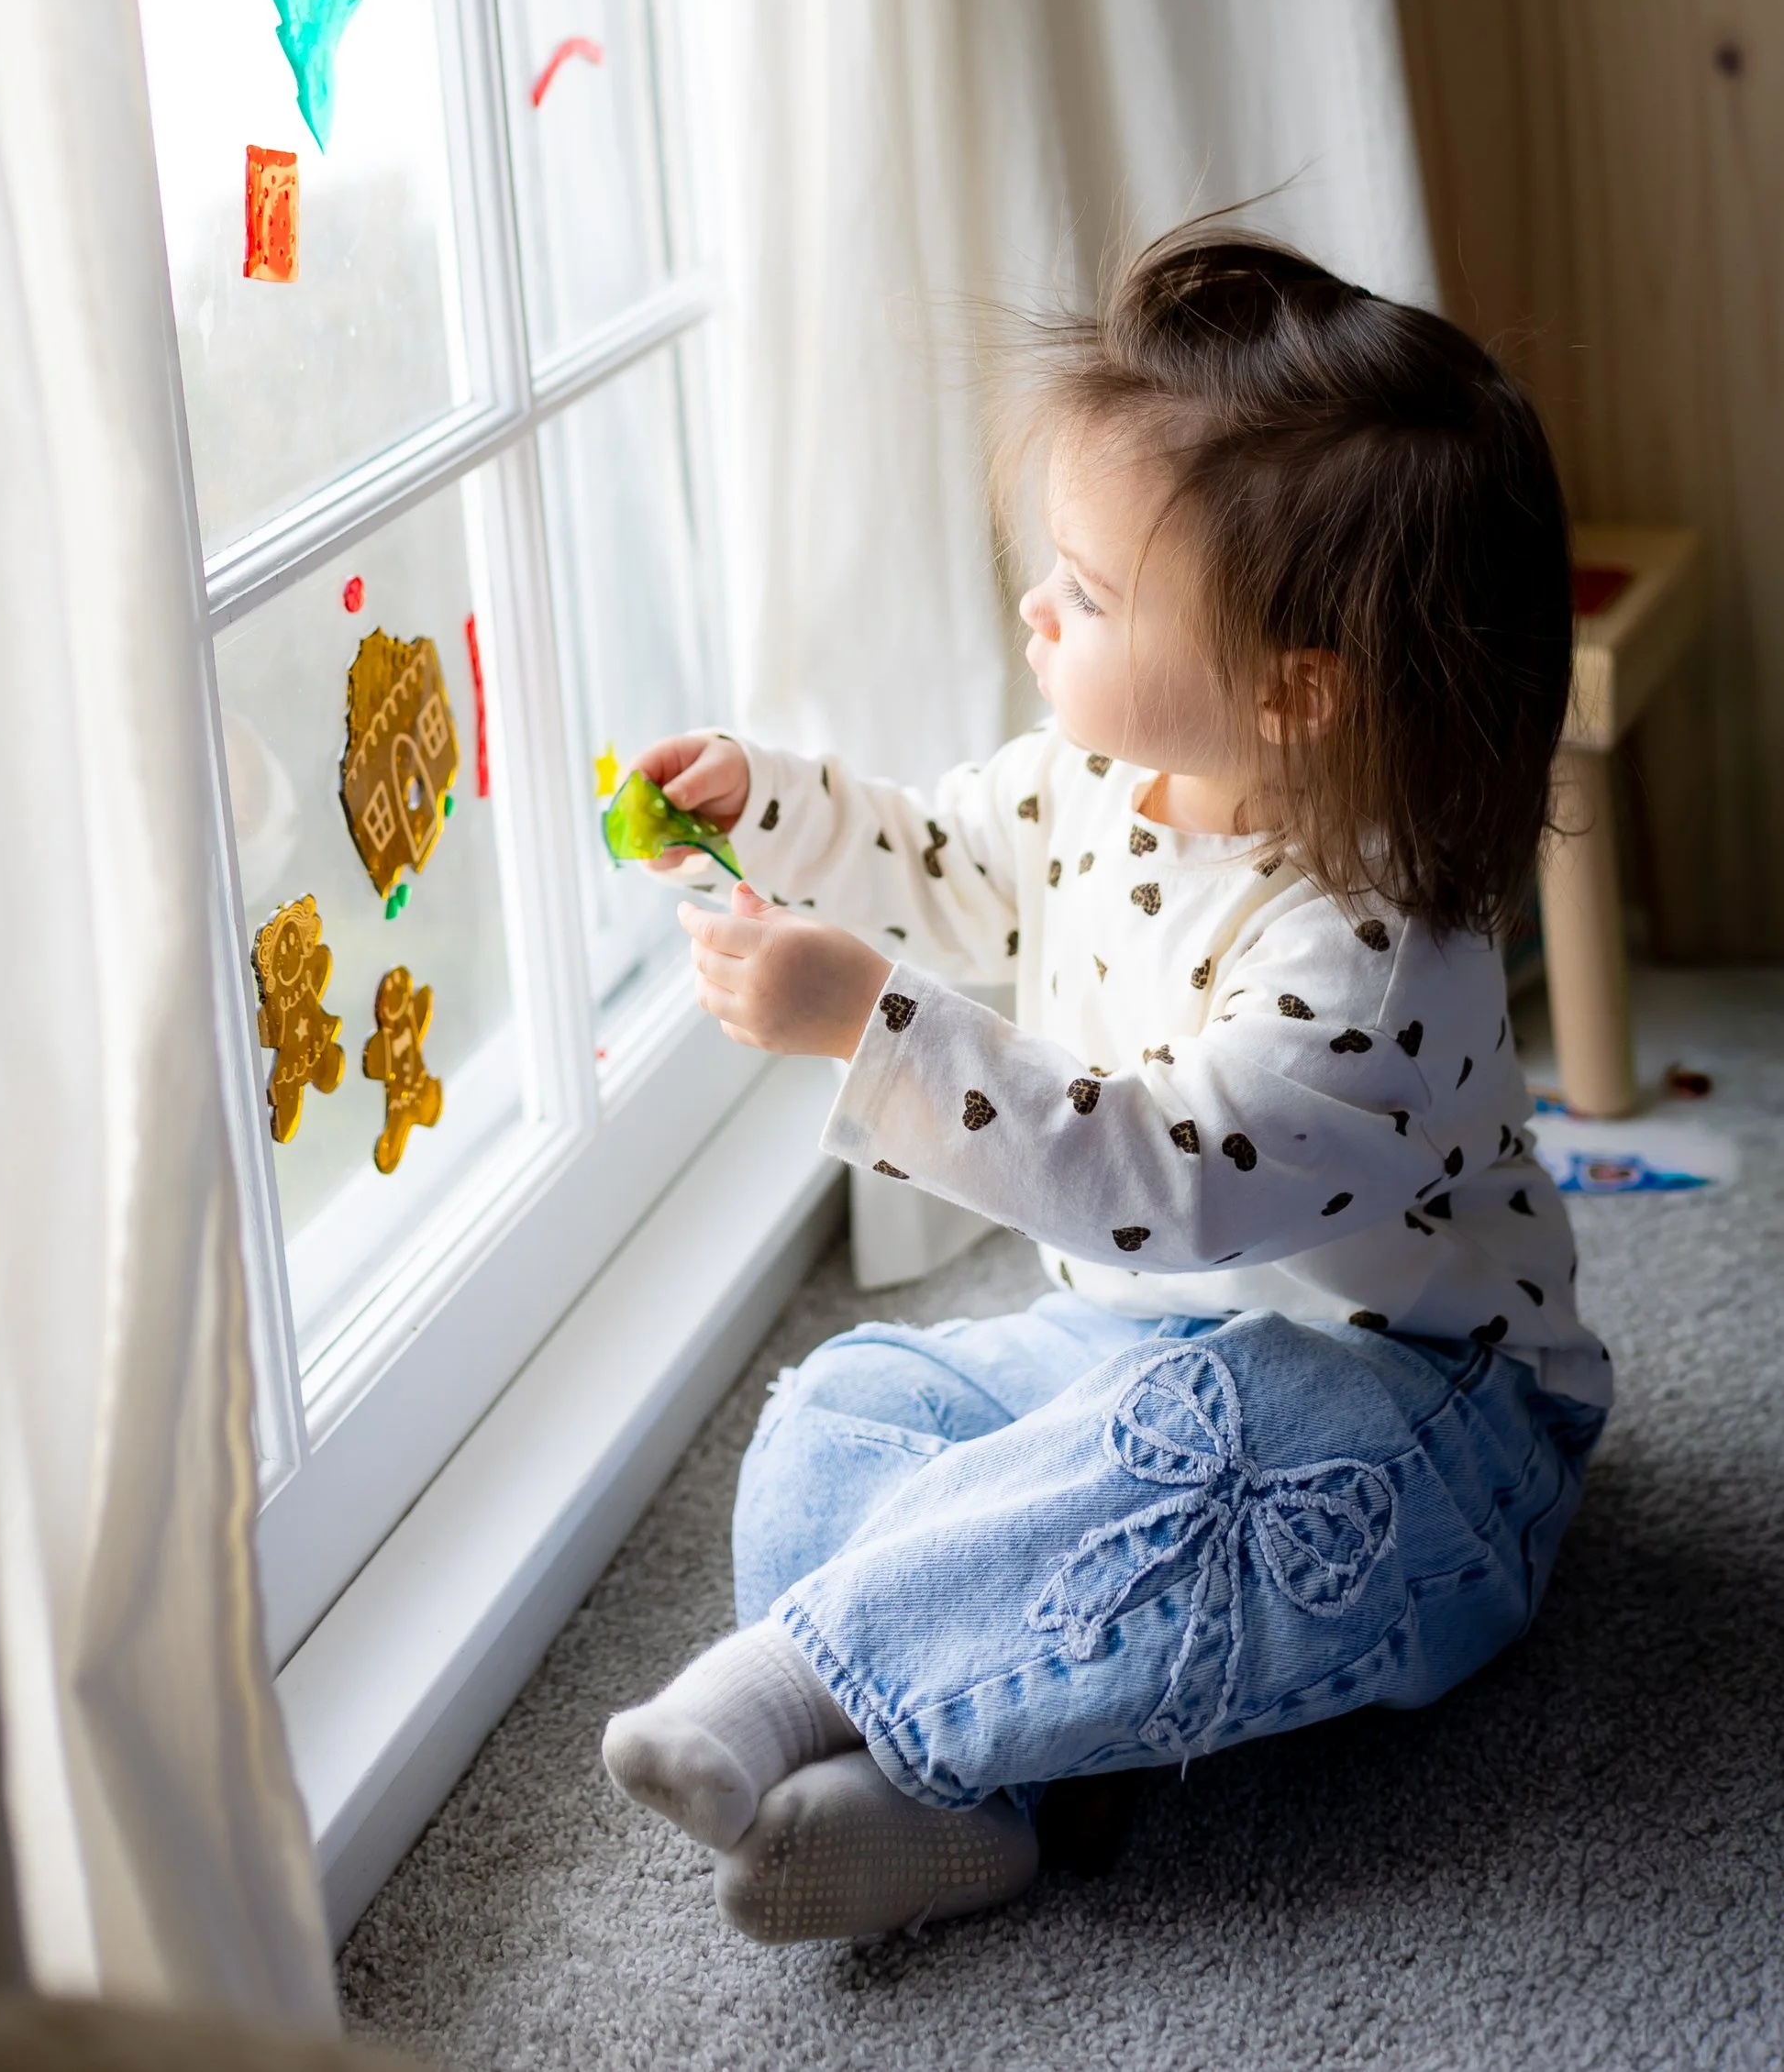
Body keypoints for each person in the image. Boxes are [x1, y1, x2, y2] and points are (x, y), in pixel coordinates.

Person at [602, 231, 1609, 1945]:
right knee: (836, 1414)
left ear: (1295, 692)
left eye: (1088, 589)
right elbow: (938, 854)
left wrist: (874, 1024)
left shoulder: (1377, 958)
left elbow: (1153, 1179)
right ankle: (981, 1798)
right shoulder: (1103, 773)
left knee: (1212, 1454)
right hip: (1139, 1345)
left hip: (1427, 1421)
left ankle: (816, 1685)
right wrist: (767, 802)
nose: (1035, 608)